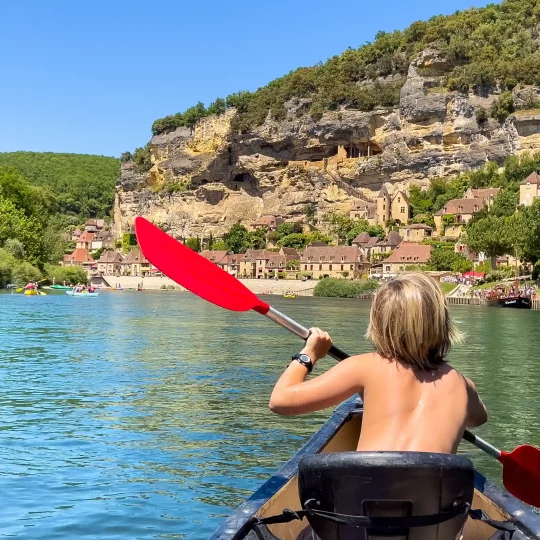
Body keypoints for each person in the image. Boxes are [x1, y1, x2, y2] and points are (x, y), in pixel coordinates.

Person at [269, 273, 487, 454]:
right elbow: (478, 419)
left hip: (364, 502)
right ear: (442, 322)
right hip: (434, 504)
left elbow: (280, 401)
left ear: (379, 322)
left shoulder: (364, 367)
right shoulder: (463, 386)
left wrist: (309, 354)